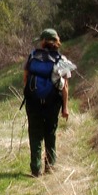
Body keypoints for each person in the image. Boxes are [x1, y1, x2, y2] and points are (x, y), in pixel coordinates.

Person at [23, 28, 69, 177]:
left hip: (33, 101)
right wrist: (65, 108)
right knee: (50, 132)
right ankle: (50, 165)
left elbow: (25, 79)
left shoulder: (33, 56)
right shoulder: (61, 60)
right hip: (52, 102)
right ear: (56, 42)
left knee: (35, 134)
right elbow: (65, 87)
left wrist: (32, 94)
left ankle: (36, 169)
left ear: (43, 42)